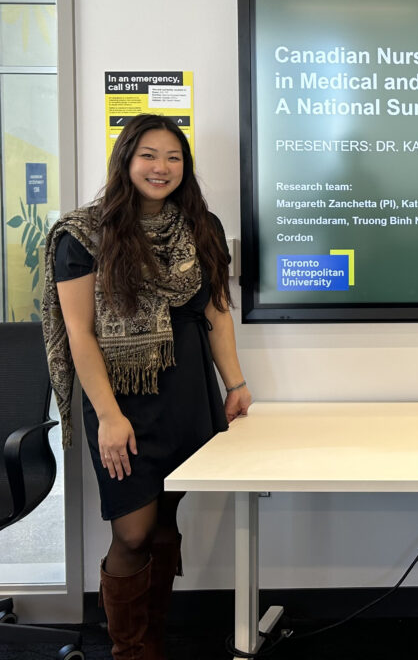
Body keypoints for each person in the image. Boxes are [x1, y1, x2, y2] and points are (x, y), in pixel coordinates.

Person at [42, 115, 252, 660]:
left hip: (187, 392)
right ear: (126, 161)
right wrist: (109, 416)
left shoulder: (199, 225)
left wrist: (235, 383)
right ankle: (129, 651)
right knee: (132, 530)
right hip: (121, 398)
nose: (162, 167)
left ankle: (153, 641)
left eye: (173, 157)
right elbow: (81, 334)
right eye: (149, 155)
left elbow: (217, 310)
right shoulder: (84, 234)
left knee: (164, 518)